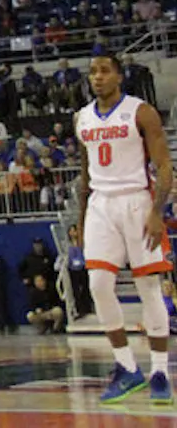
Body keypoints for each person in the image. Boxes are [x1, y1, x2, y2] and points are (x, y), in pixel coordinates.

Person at [76, 52, 173, 404]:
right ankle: (126, 367)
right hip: (101, 205)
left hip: (137, 201)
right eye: (93, 72)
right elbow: (85, 175)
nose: (97, 77)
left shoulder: (140, 111)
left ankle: (160, 372)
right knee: (98, 284)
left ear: (119, 76)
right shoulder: (82, 118)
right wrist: (81, 217)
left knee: (149, 286)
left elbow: (163, 165)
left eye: (104, 71)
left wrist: (158, 211)